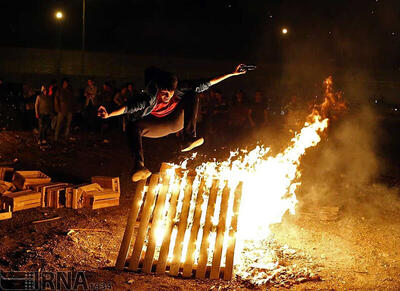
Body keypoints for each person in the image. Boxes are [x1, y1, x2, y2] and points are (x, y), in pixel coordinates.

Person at [98, 64, 248, 182]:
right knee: (132, 126)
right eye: (164, 93)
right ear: (158, 89)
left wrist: (231, 73)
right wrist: (109, 113)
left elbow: (206, 82)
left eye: (170, 92)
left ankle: (188, 137)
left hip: (177, 121)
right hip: (157, 126)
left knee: (193, 94)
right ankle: (139, 166)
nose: (167, 96)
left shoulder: (180, 89)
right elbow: (128, 107)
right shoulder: (149, 97)